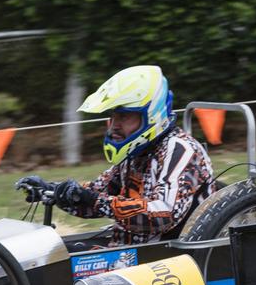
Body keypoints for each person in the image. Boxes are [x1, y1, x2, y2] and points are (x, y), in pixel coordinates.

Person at [16, 65, 214, 246]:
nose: (115, 125)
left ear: (151, 115)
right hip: (128, 255)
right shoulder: (137, 154)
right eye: (114, 116)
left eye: (124, 116)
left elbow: (164, 213)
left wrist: (94, 200)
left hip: (167, 265)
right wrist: (53, 190)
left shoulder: (180, 150)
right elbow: (96, 195)